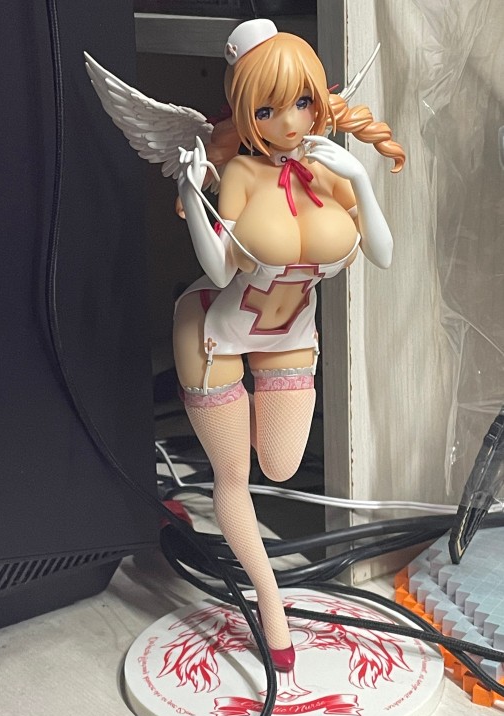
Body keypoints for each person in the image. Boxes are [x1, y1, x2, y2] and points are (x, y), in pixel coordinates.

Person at [173, 19, 405, 672]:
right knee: (235, 476)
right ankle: (270, 603)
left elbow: (383, 255)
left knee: (279, 465)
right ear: (246, 111)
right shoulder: (242, 173)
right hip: (215, 331)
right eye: (267, 109)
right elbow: (219, 269)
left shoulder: (331, 170)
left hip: (290, 335)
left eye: (302, 101)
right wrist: (191, 194)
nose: (290, 121)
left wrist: (360, 180)